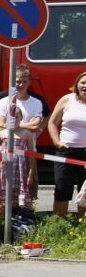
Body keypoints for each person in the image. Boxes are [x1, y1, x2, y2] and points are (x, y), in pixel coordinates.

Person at [0, 65, 42, 218]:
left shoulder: (36, 103)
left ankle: (24, 222)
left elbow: (36, 125)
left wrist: (16, 125)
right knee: (1, 193)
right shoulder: (3, 102)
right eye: (17, 81)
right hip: (4, 158)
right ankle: (0, 226)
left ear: (29, 82)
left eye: (24, 81)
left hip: (26, 155)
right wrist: (24, 125)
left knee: (28, 190)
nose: (20, 85)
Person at [47, 70, 86, 218]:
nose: (85, 86)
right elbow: (52, 123)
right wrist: (57, 142)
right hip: (65, 151)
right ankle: (59, 224)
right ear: (77, 84)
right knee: (62, 188)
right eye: (83, 82)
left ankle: (82, 225)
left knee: (85, 190)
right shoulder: (66, 99)